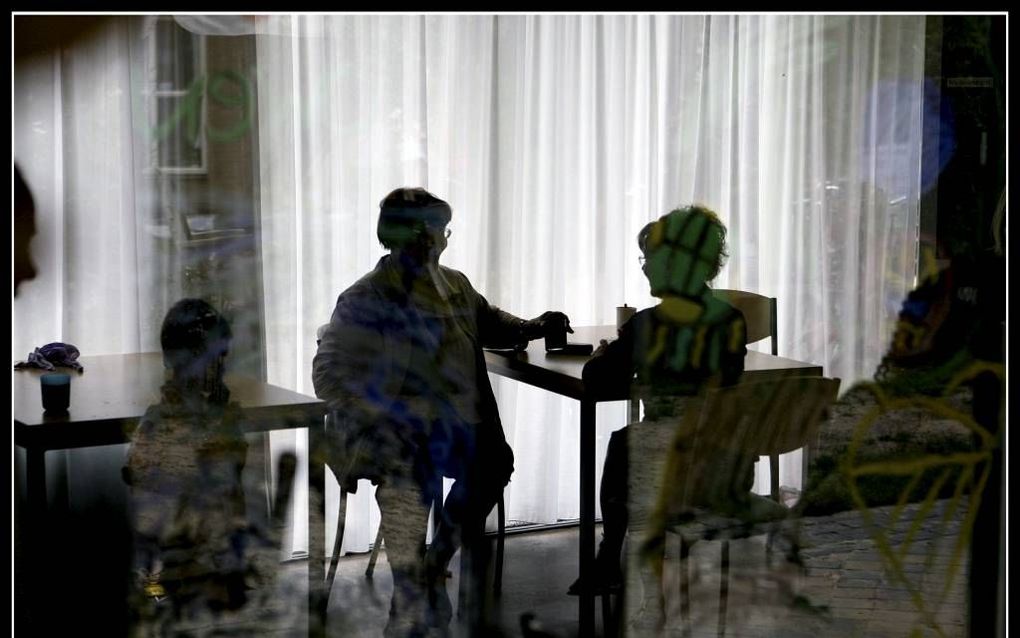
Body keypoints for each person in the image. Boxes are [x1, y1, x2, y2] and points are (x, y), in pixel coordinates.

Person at [312, 187, 572, 636]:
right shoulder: (367, 296)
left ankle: (435, 561)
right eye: (431, 229)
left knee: (494, 461)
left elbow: (492, 322)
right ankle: (411, 590)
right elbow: (329, 373)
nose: (438, 240)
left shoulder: (454, 284)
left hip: (459, 423)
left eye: (440, 230)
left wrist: (535, 325)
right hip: (399, 428)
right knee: (412, 477)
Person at [572, 205, 748, 609]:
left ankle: (608, 554)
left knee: (622, 445)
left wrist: (603, 355)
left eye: (650, 258)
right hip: (721, 456)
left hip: (669, 459)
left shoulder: (649, 324)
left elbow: (599, 381)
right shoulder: (731, 320)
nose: (645, 268)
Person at [123, 299, 287, 631]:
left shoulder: (218, 417)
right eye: (212, 362)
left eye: (221, 361)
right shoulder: (164, 422)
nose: (219, 372)